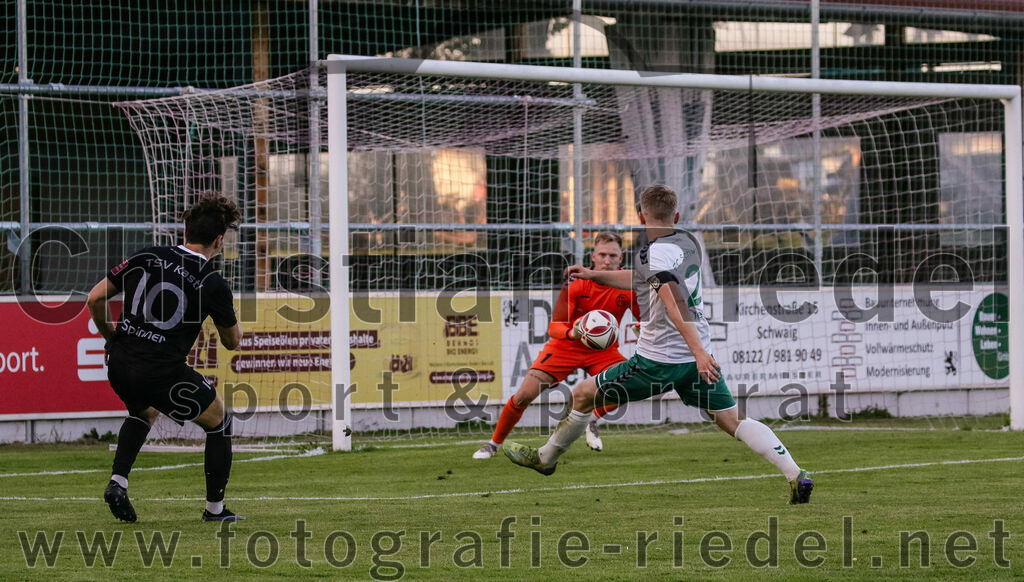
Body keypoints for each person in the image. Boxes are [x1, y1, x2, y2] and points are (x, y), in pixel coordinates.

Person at [503, 185, 813, 504]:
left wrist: (698, 352)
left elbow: (673, 301)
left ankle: (546, 459)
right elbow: (644, 277)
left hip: (660, 361)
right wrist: (594, 275)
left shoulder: (652, 254)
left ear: (641, 216)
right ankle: (795, 474)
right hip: (693, 361)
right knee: (732, 418)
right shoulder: (688, 243)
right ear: (676, 216)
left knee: (582, 395)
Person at [86, 195, 245, 522]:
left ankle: (118, 482)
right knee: (220, 421)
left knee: (144, 411)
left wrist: (113, 338)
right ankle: (215, 510)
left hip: (119, 363)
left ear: (185, 231)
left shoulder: (147, 254)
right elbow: (232, 342)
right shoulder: (212, 282)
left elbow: (94, 298)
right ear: (219, 240)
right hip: (161, 373)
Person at [472, 232, 638, 459]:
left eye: (612, 255)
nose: (607, 260)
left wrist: (641, 326)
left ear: (621, 258)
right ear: (593, 256)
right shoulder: (577, 283)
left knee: (630, 383)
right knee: (524, 395)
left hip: (603, 351)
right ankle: (493, 444)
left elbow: (642, 318)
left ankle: (591, 420)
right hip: (566, 346)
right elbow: (555, 327)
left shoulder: (629, 285)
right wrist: (574, 332)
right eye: (602, 254)